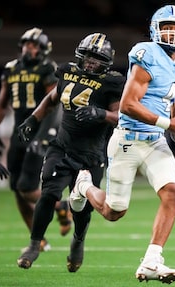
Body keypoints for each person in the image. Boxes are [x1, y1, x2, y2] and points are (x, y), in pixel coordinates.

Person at [69, 5, 175, 284]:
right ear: (155, 28)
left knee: (174, 192)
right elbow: (128, 105)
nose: (173, 32)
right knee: (114, 212)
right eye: (168, 26)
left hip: (155, 142)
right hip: (127, 140)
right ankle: (83, 185)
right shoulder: (146, 53)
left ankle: (152, 260)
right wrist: (170, 125)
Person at [16, 32, 125, 272]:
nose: (92, 62)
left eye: (97, 58)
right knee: (48, 194)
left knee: (82, 209)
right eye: (88, 56)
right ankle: (34, 244)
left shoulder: (112, 82)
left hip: (91, 156)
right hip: (62, 148)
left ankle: (78, 241)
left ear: (106, 61)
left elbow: (121, 117)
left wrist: (101, 114)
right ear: (81, 55)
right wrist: (33, 119)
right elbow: (53, 97)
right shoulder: (68, 72)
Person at [0, 27, 72, 251]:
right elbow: (2, 102)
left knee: (27, 186)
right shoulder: (11, 69)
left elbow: (53, 105)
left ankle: (60, 206)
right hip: (18, 133)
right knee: (16, 188)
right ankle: (39, 239)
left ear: (43, 49)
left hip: (38, 131)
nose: (28, 48)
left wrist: (42, 136)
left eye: (33, 45)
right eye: (26, 44)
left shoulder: (47, 69)